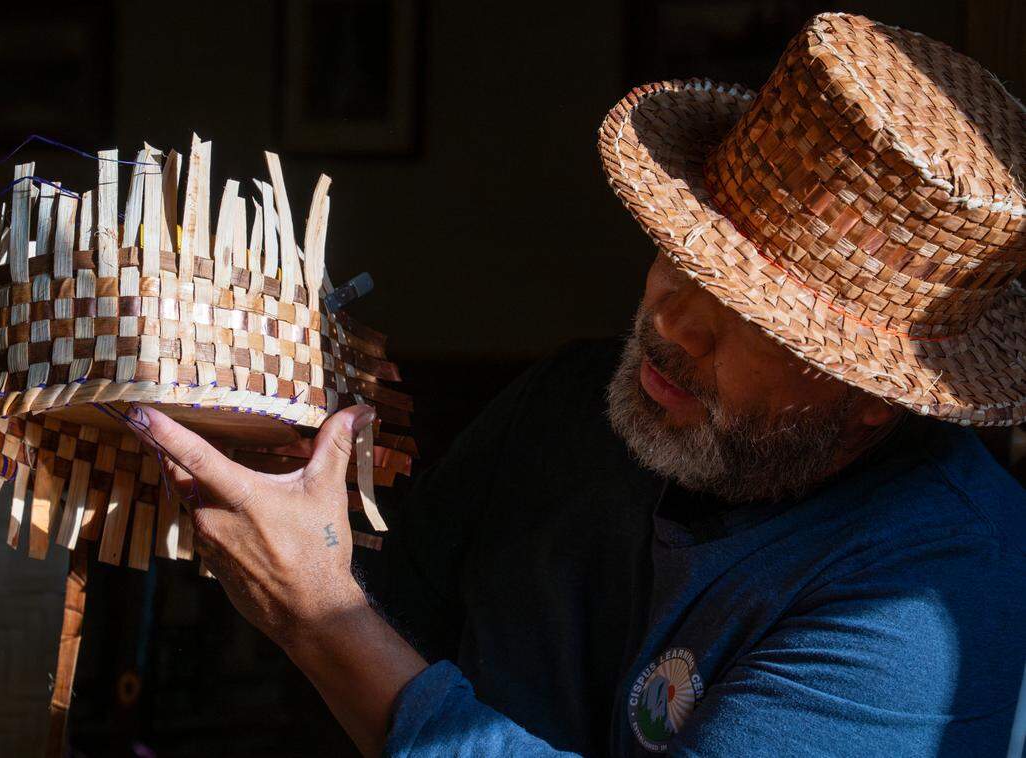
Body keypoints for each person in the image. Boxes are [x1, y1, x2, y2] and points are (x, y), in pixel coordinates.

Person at [132, 13, 1026, 757]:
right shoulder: (573, 405)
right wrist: (272, 482)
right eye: (686, 254)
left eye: (754, 316)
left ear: (874, 392)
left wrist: (321, 619)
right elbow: (394, 611)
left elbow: (345, 633)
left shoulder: (931, 597)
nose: (673, 321)